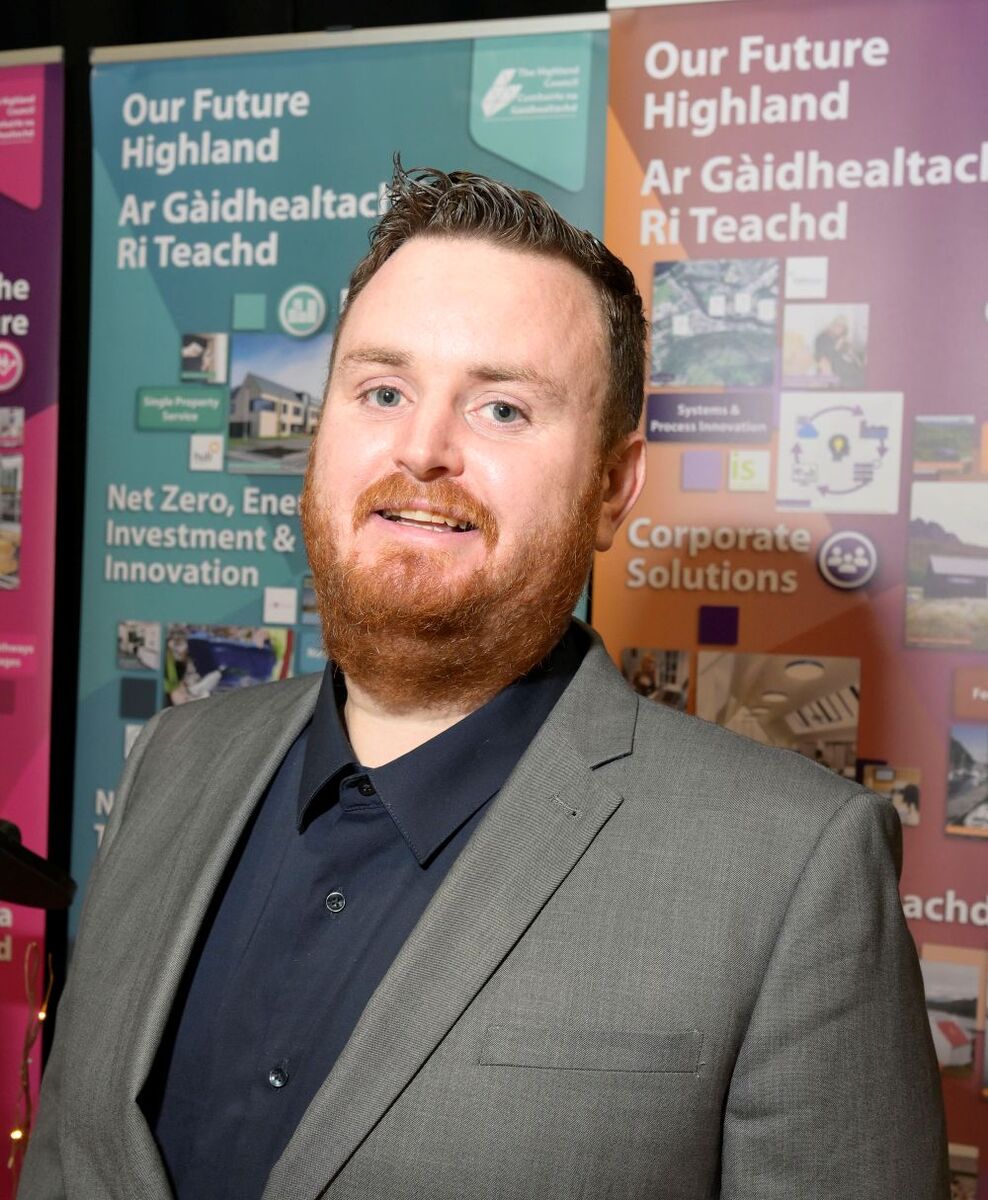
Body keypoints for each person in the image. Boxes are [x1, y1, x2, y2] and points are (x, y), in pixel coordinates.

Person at [21, 165, 947, 1200]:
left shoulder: (789, 872)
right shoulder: (173, 762)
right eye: (381, 391)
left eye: (503, 408)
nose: (422, 449)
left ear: (610, 485)